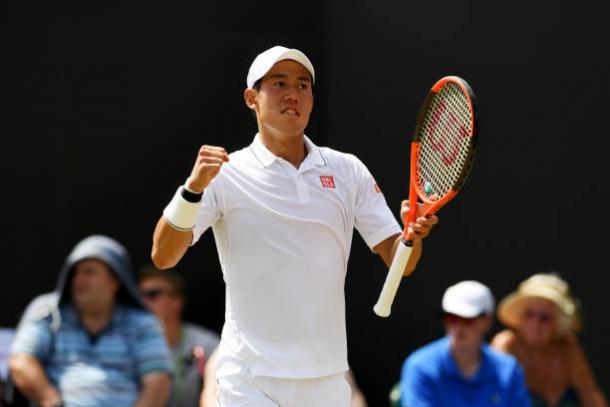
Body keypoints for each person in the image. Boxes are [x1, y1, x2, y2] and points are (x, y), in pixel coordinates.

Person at [151, 45, 438, 406]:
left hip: (326, 379)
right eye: (279, 83)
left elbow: (401, 262)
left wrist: (412, 236)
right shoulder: (225, 174)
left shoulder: (348, 170)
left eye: (303, 86)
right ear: (251, 98)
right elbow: (163, 256)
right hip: (249, 380)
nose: (293, 94)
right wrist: (192, 190)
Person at [9, 235, 173, 407]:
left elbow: (158, 382)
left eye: (89, 272)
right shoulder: (48, 312)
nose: (79, 280)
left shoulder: (142, 323)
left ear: (115, 281)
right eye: (75, 272)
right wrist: (52, 402)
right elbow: (21, 362)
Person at [399, 280, 531, 407]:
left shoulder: (509, 370)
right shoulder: (419, 366)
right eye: (451, 318)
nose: (458, 327)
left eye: (467, 319)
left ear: (487, 321)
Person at [491, 273, 608, 407]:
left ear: (558, 322)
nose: (536, 324)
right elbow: (494, 397)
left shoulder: (568, 348)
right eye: (529, 315)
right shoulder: (506, 345)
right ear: (520, 318)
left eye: (545, 318)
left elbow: (590, 394)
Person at [138, 265, 220, 407]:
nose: (144, 302)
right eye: (140, 296)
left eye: (153, 294)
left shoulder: (207, 344)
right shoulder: (128, 343)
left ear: (177, 302)